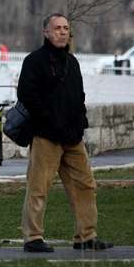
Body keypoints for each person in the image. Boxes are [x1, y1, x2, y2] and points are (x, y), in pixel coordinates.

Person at [17, 13, 113, 253]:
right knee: (39, 188)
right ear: (46, 32)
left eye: (66, 28)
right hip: (46, 137)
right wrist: (49, 121)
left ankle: (86, 237)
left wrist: (80, 123)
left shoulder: (73, 62)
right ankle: (33, 238)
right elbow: (27, 95)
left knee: (86, 185)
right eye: (57, 27)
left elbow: (79, 96)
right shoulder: (34, 61)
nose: (62, 31)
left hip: (73, 138)